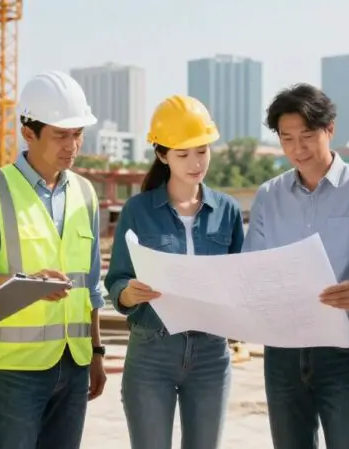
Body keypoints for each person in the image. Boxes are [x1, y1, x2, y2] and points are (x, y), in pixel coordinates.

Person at [0, 71, 107, 449]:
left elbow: (90, 284)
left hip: (74, 362)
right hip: (14, 370)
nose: (72, 145)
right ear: (28, 132)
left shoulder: (86, 193)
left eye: (77, 134)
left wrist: (97, 353)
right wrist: (23, 282)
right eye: (61, 135)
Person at [245, 83, 349, 449]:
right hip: (282, 348)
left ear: (330, 129)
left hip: (342, 344)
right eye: (287, 139)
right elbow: (254, 265)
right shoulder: (268, 196)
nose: (298, 149)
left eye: (307, 136)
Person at [104, 95, 245, 449]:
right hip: (153, 350)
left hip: (212, 353)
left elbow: (240, 275)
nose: (196, 163)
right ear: (162, 155)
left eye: (202, 151)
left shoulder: (227, 210)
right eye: (183, 154)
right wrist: (129, 292)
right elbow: (117, 278)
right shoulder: (137, 210)